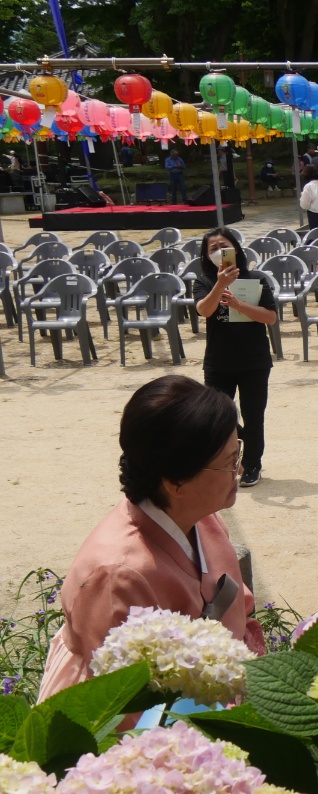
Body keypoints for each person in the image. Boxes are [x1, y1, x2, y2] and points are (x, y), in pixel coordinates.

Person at [37, 376, 268, 701]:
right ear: (175, 482)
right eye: (230, 463)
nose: (240, 471)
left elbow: (236, 609)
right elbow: (122, 704)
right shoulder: (116, 576)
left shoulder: (202, 517)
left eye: (238, 453)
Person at [191, 228, 277, 488]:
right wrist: (220, 285)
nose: (219, 251)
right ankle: (238, 450)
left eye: (224, 245)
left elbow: (270, 317)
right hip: (219, 361)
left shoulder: (257, 278)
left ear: (236, 249)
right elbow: (204, 310)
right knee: (216, 415)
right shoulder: (204, 282)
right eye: (213, 248)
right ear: (206, 255)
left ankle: (252, 464)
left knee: (254, 415)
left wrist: (239, 305)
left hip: (254, 360)